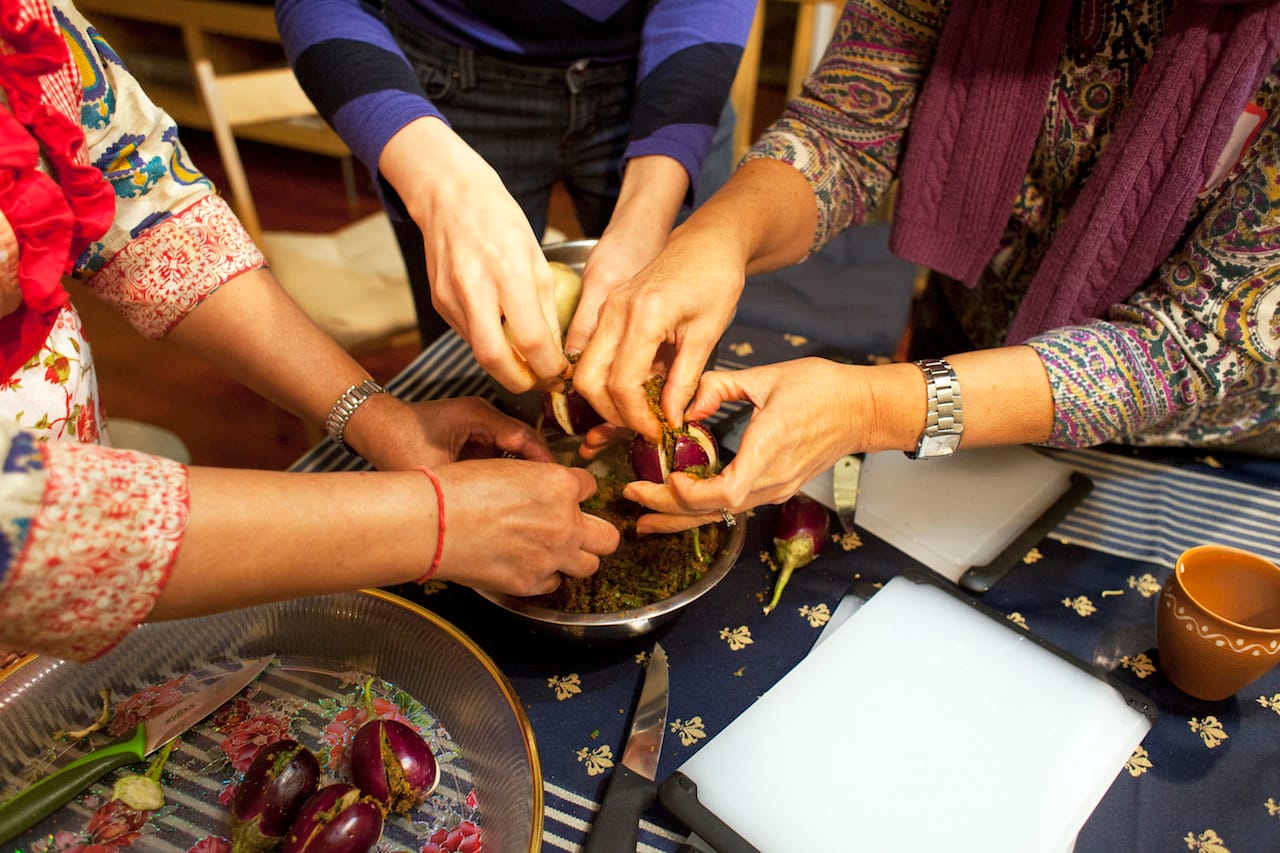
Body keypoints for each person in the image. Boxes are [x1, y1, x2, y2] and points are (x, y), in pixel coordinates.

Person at [0, 0, 619, 663]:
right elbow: (24, 522)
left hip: (98, 597)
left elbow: (150, 211)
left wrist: (381, 421)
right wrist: (430, 523)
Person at [571, 0, 1280, 532]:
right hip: (963, 361)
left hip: (1186, 460)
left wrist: (871, 409)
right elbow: (848, 123)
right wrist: (718, 235)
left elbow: (1190, 342)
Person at [274, 0, 755, 394]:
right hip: (450, 82)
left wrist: (648, 216)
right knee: (479, 377)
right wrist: (440, 185)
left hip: (675, 74)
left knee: (674, 370)